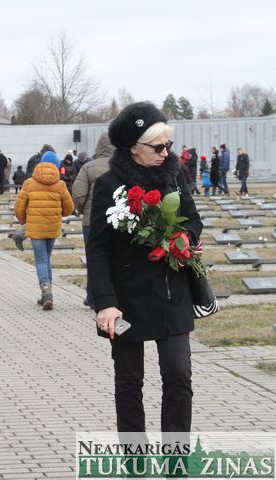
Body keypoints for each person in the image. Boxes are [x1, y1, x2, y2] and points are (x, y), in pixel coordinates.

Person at [86, 101, 201, 437]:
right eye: (157, 147)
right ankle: (135, 459)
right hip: (126, 301)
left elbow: (194, 219)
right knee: (129, 382)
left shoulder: (174, 175)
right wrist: (105, 302)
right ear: (133, 148)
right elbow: (98, 248)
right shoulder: (109, 185)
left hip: (171, 293)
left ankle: (176, 459)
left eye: (168, 145)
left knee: (179, 377)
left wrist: (184, 237)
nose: (166, 153)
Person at [15, 151, 74, 310]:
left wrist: (25, 222)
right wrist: (59, 214)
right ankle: (47, 294)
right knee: (47, 258)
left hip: (36, 228)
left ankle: (46, 290)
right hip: (52, 227)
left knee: (41, 260)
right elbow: (69, 208)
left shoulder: (29, 183)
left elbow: (19, 207)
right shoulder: (60, 185)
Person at [71, 132, 115, 308]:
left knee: (94, 258)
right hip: (116, 220)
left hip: (92, 221)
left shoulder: (88, 167)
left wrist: (83, 211)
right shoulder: (122, 166)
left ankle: (92, 297)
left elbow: (78, 194)